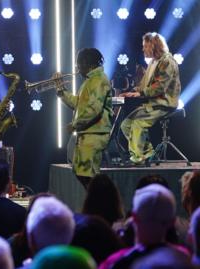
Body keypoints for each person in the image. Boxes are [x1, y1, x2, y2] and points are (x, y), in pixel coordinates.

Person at [54, 48, 113, 189]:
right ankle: (97, 205)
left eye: (78, 63)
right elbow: (77, 104)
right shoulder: (90, 80)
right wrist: (61, 90)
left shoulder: (98, 80)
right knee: (82, 174)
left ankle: (101, 207)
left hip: (94, 134)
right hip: (87, 133)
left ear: (87, 63)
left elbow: (94, 110)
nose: (77, 67)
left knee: (89, 177)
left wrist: (74, 125)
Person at [120, 32, 181, 165]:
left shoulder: (167, 62)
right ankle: (147, 153)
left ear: (153, 46)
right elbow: (144, 85)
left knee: (137, 123)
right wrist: (132, 92)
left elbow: (160, 86)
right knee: (126, 125)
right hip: (152, 103)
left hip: (164, 103)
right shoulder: (153, 62)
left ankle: (138, 158)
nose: (143, 49)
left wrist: (141, 94)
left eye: (145, 46)